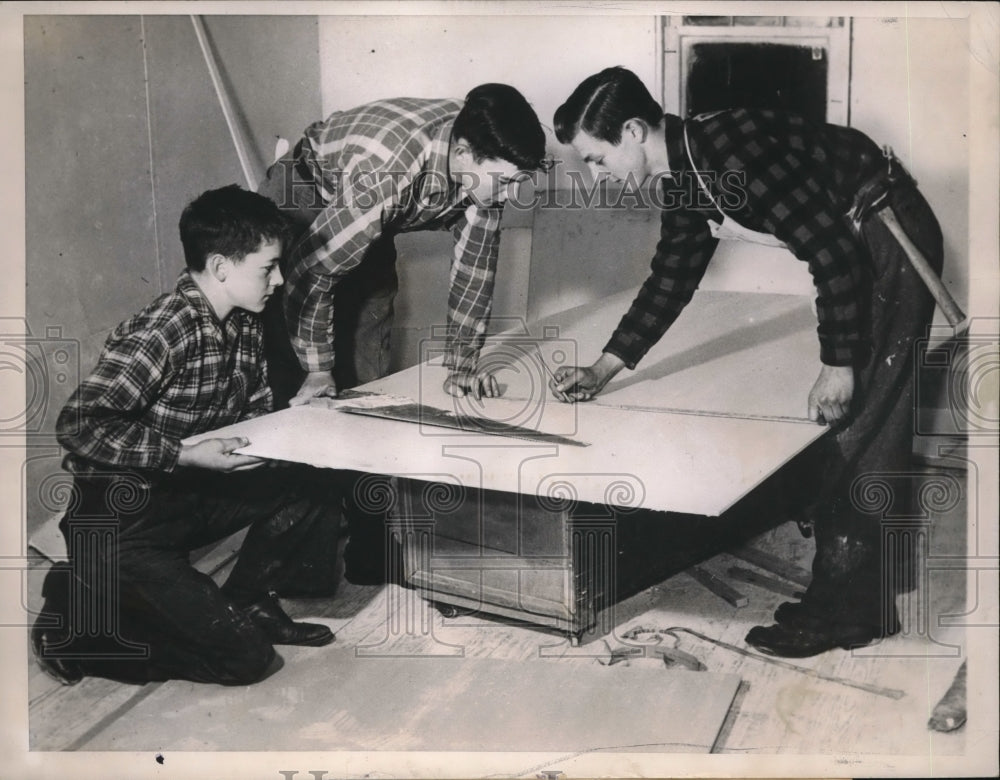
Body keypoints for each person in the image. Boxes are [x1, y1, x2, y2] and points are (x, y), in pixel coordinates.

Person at [549, 67, 944, 657]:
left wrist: (838, 363)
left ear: (632, 130)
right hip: (862, 242)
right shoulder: (683, 168)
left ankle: (840, 613)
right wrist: (605, 367)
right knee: (860, 428)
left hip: (889, 239)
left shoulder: (729, 154)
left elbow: (834, 254)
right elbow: (673, 275)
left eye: (597, 159)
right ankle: (864, 606)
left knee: (859, 432)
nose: (595, 175)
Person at [32, 185, 339, 687]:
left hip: (181, 494)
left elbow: (252, 410)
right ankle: (77, 627)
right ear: (221, 268)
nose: (280, 280)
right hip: (118, 518)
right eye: (269, 268)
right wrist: (184, 454)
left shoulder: (243, 321)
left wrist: (294, 420)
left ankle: (249, 602)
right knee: (246, 662)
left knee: (311, 480)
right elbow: (79, 423)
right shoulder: (164, 328)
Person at [258, 84, 548, 584]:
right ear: (462, 154)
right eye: (502, 181)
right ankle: (299, 570)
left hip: (367, 219)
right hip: (303, 197)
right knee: (305, 392)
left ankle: (370, 545)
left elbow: (475, 270)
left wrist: (462, 365)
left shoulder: (484, 174)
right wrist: (318, 369)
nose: (506, 193)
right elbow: (310, 275)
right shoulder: (388, 169)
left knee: (369, 386)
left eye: (515, 182)